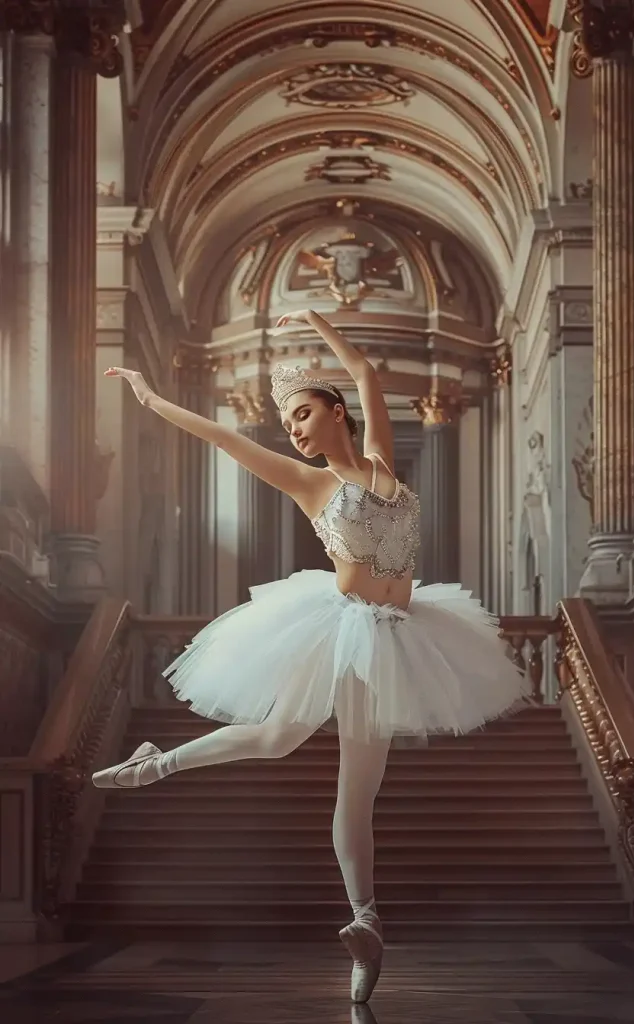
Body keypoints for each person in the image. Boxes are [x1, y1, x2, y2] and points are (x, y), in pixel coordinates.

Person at [92, 308, 529, 1003]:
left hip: (400, 631)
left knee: (357, 791)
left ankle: (365, 925)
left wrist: (320, 325)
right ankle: (158, 763)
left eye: (302, 413)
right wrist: (147, 397)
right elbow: (223, 437)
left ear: (335, 412)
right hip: (343, 625)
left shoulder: (382, 461)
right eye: (288, 421)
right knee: (276, 739)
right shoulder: (310, 483)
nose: (294, 429)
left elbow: (363, 372)